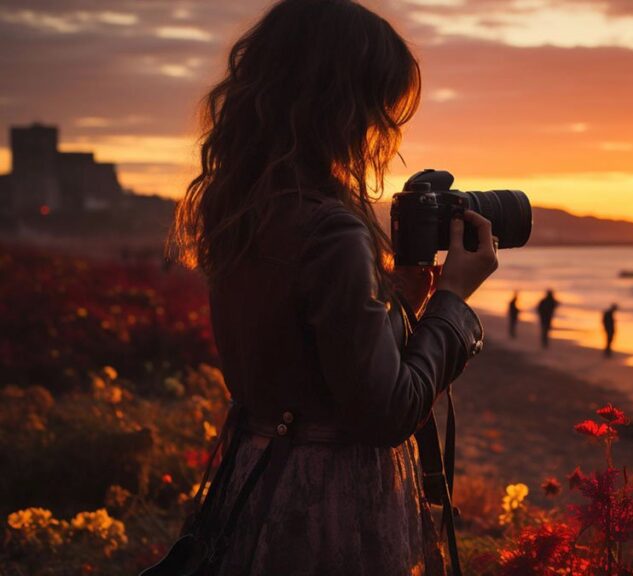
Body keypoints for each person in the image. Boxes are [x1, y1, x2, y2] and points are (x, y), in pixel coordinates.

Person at [159, 2, 498, 574]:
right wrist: (453, 304)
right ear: (343, 107)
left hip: (259, 476)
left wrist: (398, 300)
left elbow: (304, 354)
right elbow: (387, 411)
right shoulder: (331, 230)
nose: (382, 132)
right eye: (381, 109)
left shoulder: (244, 210)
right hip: (332, 502)